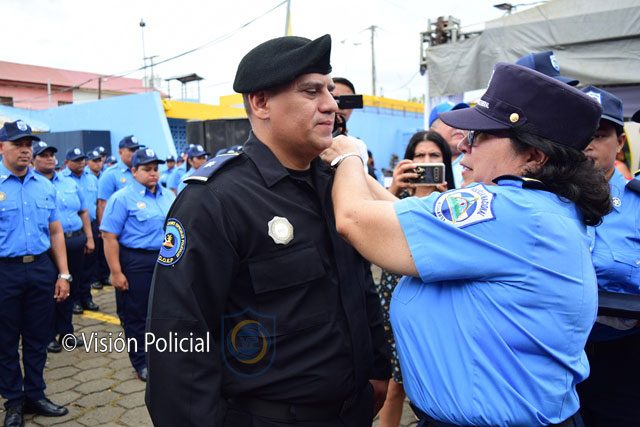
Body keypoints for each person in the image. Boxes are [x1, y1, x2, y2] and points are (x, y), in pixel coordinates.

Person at [321, 62, 611, 426]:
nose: (462, 145)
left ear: (534, 156)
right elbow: (406, 220)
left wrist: (349, 155)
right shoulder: (536, 208)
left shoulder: (509, 209)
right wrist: (360, 174)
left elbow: (354, 220)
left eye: (481, 136)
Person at [146, 34, 391, 427]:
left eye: (329, 90)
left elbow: (360, 285)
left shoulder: (336, 186)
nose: (331, 104)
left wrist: (377, 366)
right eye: (311, 91)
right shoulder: (215, 200)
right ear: (261, 103)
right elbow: (178, 335)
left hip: (353, 410)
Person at [376, 129, 454, 427]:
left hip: (436, 296)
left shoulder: (456, 202)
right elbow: (371, 230)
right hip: (394, 292)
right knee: (395, 384)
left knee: (436, 376)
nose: (426, 162)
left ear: (445, 161)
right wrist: (394, 188)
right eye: (419, 155)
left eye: (434, 155)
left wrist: (446, 199)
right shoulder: (391, 198)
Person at [0, 121, 72, 427]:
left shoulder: (44, 185)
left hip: (41, 268)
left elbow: (55, 232)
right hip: (5, 271)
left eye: (28, 144)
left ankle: (35, 394)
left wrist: (64, 274)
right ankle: (13, 402)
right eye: (17, 144)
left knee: (37, 337)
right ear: (1, 147)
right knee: (5, 341)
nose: (25, 150)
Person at [576, 86, 640, 427]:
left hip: (623, 359)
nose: (588, 144)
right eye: (581, 133)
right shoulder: (540, 203)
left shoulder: (637, 204)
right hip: (554, 355)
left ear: (620, 142)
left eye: (599, 135)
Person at [100, 148, 174, 382]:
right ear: (133, 171)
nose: (153, 173)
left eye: (155, 169)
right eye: (146, 169)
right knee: (137, 314)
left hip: (165, 258)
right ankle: (141, 361)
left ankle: (162, 356)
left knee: (163, 311)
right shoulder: (121, 198)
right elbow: (109, 237)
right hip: (136, 261)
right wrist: (116, 272)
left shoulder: (168, 195)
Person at [32, 143, 94, 353]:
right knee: (50, 290)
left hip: (74, 240)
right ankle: (48, 335)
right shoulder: (32, 184)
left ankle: (66, 332)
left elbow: (83, 211)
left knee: (70, 287)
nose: (49, 158)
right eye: (43, 155)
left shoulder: (69, 183)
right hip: (48, 247)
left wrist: (89, 237)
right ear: (33, 159)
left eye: (51, 154)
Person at [62, 148, 100, 313]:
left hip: (91, 225)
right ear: (66, 162)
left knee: (88, 266)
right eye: (76, 160)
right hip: (73, 229)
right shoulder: (62, 179)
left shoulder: (91, 178)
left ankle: (86, 297)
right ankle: (74, 300)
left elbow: (97, 203)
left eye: (82, 159)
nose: (81, 163)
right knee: (73, 269)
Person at [96, 135, 141, 223]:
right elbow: (102, 205)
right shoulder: (110, 174)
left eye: (137, 150)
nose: (135, 153)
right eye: (132, 150)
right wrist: (105, 229)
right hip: (121, 224)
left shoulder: (142, 171)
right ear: (120, 152)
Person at [85, 150, 110, 290]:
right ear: (88, 162)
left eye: (99, 160)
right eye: (94, 161)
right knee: (92, 252)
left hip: (102, 218)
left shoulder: (104, 175)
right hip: (89, 220)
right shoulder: (86, 176)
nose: (98, 163)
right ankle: (94, 279)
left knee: (103, 250)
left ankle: (104, 276)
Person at [429, 102, 469, 188]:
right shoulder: (421, 163)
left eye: (463, 120)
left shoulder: (478, 161)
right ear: (432, 131)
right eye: (450, 120)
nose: (458, 125)